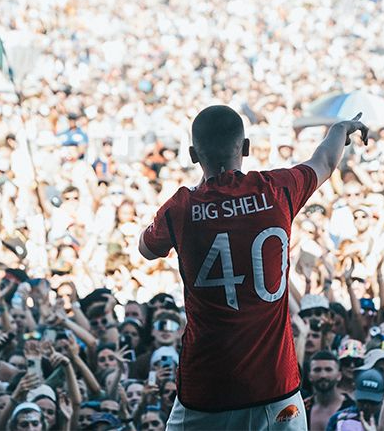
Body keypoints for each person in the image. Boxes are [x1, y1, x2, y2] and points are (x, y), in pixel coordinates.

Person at [139, 105, 368, 429]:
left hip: (206, 389)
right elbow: (326, 161)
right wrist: (341, 128)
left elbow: (146, 249)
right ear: (246, 148)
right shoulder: (277, 189)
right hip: (275, 387)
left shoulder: (181, 207)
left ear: (192, 154)